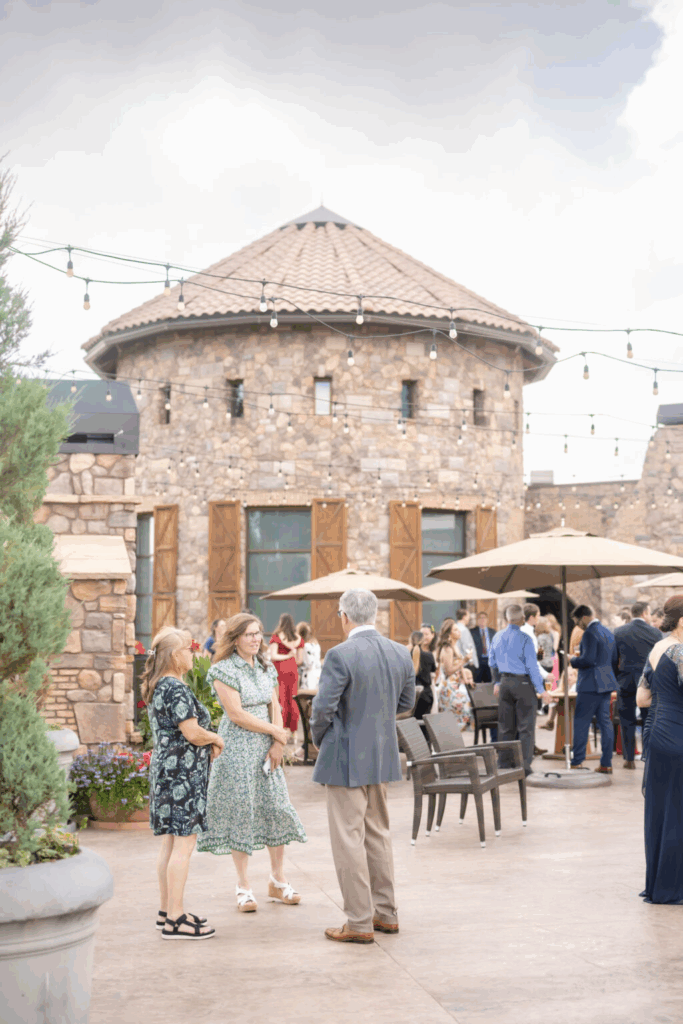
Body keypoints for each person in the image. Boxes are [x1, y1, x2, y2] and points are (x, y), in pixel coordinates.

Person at [310, 588, 415, 944]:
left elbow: (322, 708)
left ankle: (358, 921)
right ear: (375, 614)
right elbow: (407, 701)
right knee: (379, 835)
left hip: (345, 754)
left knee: (348, 839)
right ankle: (386, 914)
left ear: (344, 616)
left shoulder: (339, 654)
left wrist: (319, 738)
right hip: (383, 753)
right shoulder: (401, 652)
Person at [197, 614, 307, 911]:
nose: (256, 639)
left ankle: (278, 880)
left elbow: (275, 705)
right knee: (242, 813)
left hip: (266, 748)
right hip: (236, 748)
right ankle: (243, 885)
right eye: (248, 634)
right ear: (234, 639)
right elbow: (236, 714)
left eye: (258, 633)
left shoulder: (265, 666)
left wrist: (277, 743)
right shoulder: (222, 670)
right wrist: (276, 732)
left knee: (277, 808)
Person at [144, 626, 224, 940]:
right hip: (181, 775)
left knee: (170, 842)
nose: (192, 654)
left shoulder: (158, 685)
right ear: (176, 656)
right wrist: (216, 738)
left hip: (166, 769)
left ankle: (166, 912)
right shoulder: (175, 688)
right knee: (184, 844)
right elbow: (192, 732)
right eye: (188, 650)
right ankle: (176, 918)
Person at [638, 595, 683, 904]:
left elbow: (641, 698)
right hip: (679, 735)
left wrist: (668, 701)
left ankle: (660, 884)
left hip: (659, 735)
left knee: (662, 810)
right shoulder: (680, 651)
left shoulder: (656, 648)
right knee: (678, 811)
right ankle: (674, 886)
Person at [488, 604, 551, 776]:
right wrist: (542, 690)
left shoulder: (497, 637)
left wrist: (496, 682)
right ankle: (524, 765)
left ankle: (504, 762)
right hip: (523, 684)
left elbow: (492, 662)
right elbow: (532, 666)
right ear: (522, 619)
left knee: (506, 726)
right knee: (526, 727)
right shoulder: (525, 639)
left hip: (505, 683)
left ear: (507, 619)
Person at [569, 605, 618, 774]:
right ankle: (606, 763)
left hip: (590, 684)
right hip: (606, 683)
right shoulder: (607, 631)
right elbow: (614, 658)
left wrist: (572, 660)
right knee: (605, 724)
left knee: (581, 722)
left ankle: (577, 761)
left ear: (583, 617)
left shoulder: (589, 633)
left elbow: (587, 660)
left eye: (576, 621)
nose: (577, 625)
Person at [613, 602, 662, 769]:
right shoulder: (655, 633)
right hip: (648, 683)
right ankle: (649, 756)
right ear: (645, 613)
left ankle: (629, 758)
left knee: (627, 720)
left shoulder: (619, 631)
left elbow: (614, 659)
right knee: (650, 720)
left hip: (625, 681)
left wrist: (618, 677)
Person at [269, 613, 304, 744]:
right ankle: (294, 733)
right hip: (293, 670)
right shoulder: (298, 639)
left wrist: (286, 655)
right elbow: (300, 660)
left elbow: (273, 656)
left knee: (281, 699)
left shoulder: (277, 637)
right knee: (292, 699)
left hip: (280, 670)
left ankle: (281, 730)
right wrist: (291, 656)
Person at [436, 618, 473, 729]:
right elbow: (449, 670)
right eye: (456, 630)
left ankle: (456, 736)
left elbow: (460, 666)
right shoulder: (448, 649)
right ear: (450, 633)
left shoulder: (455, 646)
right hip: (448, 688)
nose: (459, 631)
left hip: (456, 686)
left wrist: (466, 679)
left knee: (466, 709)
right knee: (462, 710)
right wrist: (465, 660)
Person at [410, 629, 436, 720]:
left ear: (411, 641)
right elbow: (433, 671)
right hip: (426, 695)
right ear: (422, 641)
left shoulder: (405, 655)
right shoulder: (429, 655)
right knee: (425, 726)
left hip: (410, 695)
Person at [470, 611, 496, 683]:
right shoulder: (472, 632)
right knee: (477, 682)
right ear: (477, 620)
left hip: (489, 660)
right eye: (480, 618)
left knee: (489, 682)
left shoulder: (492, 631)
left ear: (487, 619)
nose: (482, 620)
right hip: (478, 661)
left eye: (484, 618)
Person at [296, 621, 322, 690]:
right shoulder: (316, 644)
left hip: (309, 675)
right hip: (318, 673)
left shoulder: (304, 646)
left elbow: (302, 662)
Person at [455, 608, 478, 673]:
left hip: (459, 663)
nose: (469, 618)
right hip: (466, 664)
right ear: (464, 617)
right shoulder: (463, 630)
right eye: (468, 616)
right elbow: (467, 647)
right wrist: (471, 661)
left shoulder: (456, 627)